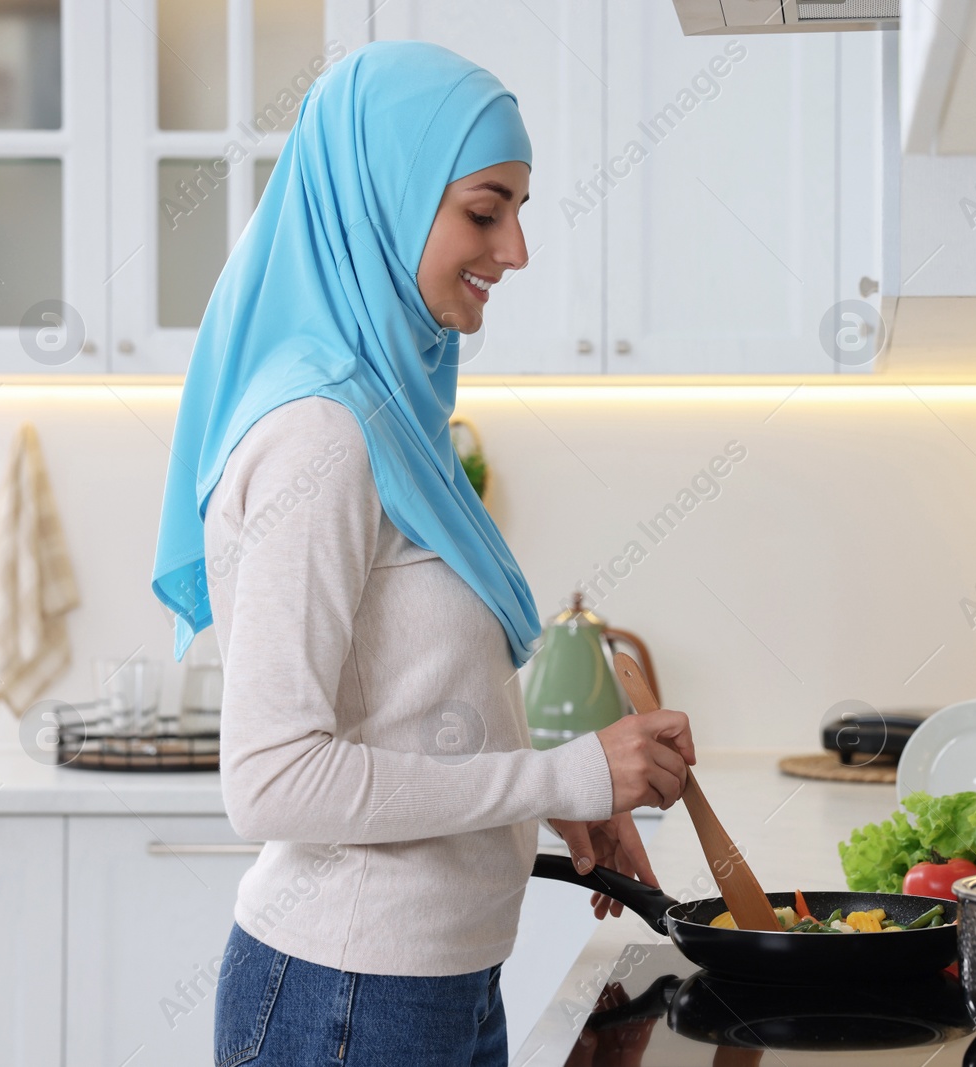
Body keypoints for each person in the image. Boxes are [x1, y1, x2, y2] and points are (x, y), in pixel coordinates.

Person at [149, 41, 696, 1067]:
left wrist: (567, 803)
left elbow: (412, 706)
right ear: (383, 195)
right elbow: (270, 779)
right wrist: (559, 773)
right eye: (484, 211)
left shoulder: (388, 415)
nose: (516, 250)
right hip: (346, 998)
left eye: (518, 210)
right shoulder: (319, 435)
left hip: (422, 986)